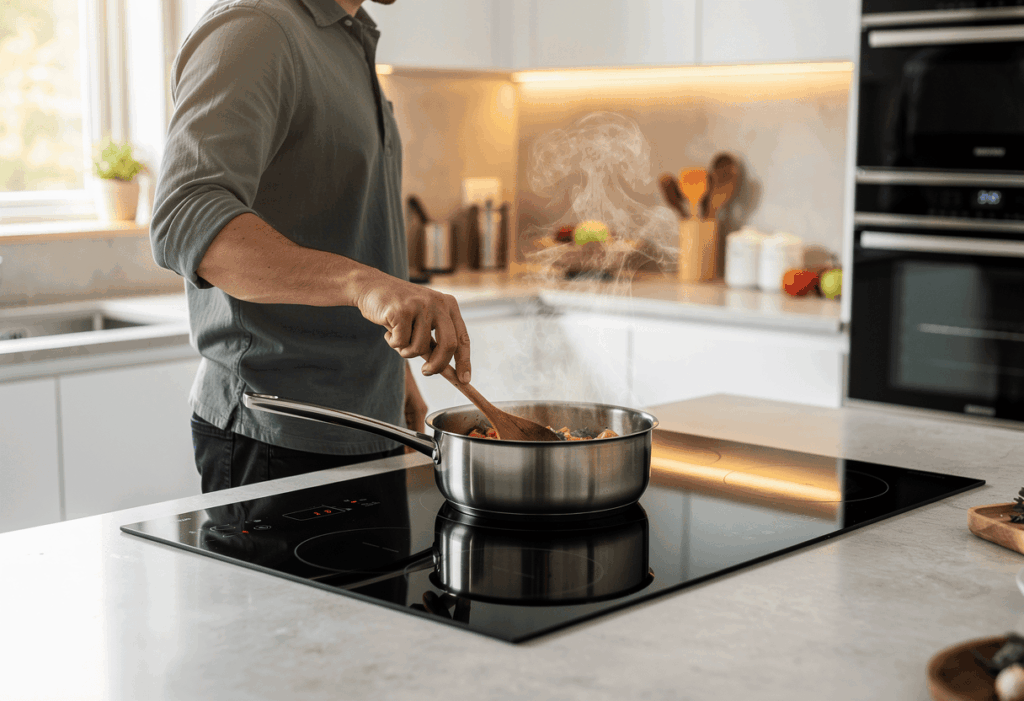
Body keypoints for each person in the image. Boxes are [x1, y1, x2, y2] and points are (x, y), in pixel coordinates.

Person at [150, 0, 470, 493]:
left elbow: (340, 222)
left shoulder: (346, 35)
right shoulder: (256, 28)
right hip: (278, 432)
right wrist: (363, 285)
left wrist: (389, 374)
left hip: (368, 423)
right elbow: (186, 216)